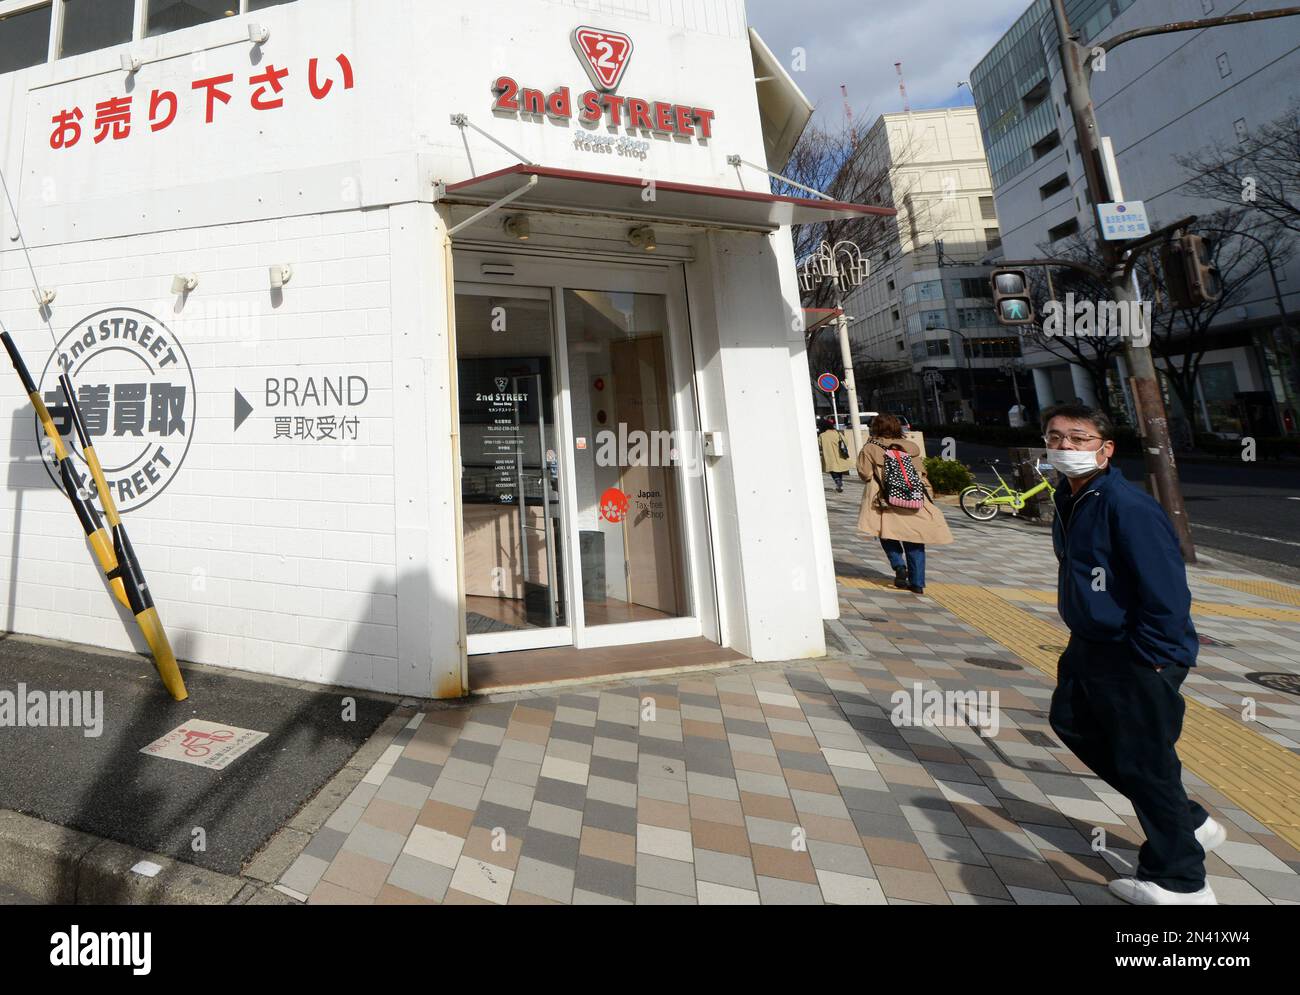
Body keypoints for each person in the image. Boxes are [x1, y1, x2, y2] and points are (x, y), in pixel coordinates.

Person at [1042, 403, 1220, 906]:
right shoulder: (1070, 495)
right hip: (1090, 645)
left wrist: (1153, 658)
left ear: (1106, 448)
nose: (1065, 448)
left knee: (1146, 763)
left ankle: (1181, 881)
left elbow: (1166, 592)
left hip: (1136, 652)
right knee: (1071, 721)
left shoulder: (1126, 505)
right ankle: (1188, 820)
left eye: (1079, 439)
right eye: (1056, 438)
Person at [856, 414, 952, 593]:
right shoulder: (911, 447)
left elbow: (865, 474)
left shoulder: (871, 448)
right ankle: (917, 583)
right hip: (913, 498)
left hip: (885, 499)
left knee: (886, 533)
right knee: (915, 539)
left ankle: (899, 565)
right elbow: (921, 473)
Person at [818, 417, 853, 492]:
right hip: (839, 454)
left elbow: (819, 445)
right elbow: (845, 442)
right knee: (839, 469)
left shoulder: (822, 435)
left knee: (832, 470)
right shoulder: (837, 433)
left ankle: (837, 481)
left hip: (828, 455)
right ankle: (839, 482)